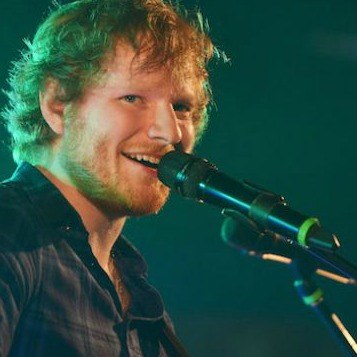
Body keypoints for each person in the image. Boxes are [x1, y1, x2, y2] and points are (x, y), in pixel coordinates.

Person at [0, 0, 220, 355]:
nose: (169, 133)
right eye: (133, 97)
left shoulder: (139, 297)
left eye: (181, 107)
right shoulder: (10, 227)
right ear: (57, 104)